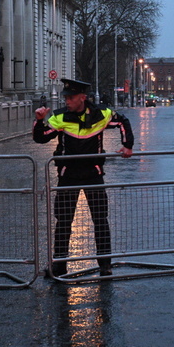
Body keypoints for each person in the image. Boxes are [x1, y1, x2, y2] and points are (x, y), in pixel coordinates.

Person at [33, 78, 134, 277]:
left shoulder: (101, 114)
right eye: (66, 98)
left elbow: (122, 121)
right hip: (68, 176)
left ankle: (105, 264)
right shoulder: (60, 117)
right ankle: (59, 265)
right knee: (63, 221)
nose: (67, 101)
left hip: (93, 174)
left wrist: (127, 145)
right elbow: (41, 137)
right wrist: (39, 120)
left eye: (71, 98)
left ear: (83, 98)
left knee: (100, 220)